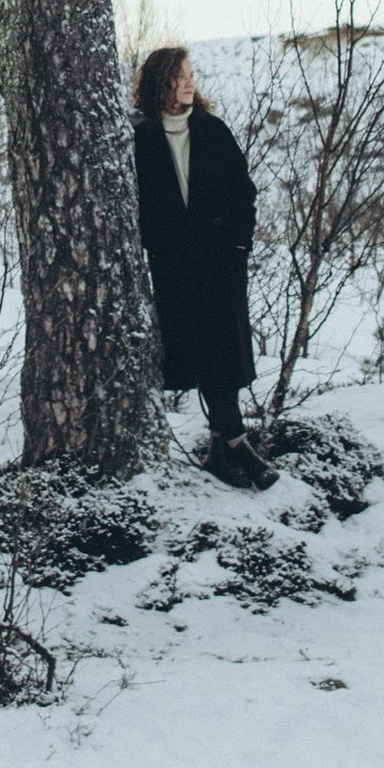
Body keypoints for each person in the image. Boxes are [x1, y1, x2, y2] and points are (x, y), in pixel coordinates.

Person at [132, 45, 277, 487]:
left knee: (224, 349)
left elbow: (244, 192)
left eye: (191, 75)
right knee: (198, 347)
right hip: (174, 265)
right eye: (180, 76)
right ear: (161, 83)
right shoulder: (141, 138)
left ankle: (230, 442)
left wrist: (239, 245)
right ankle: (228, 444)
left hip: (220, 261)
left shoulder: (212, 130)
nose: (189, 83)